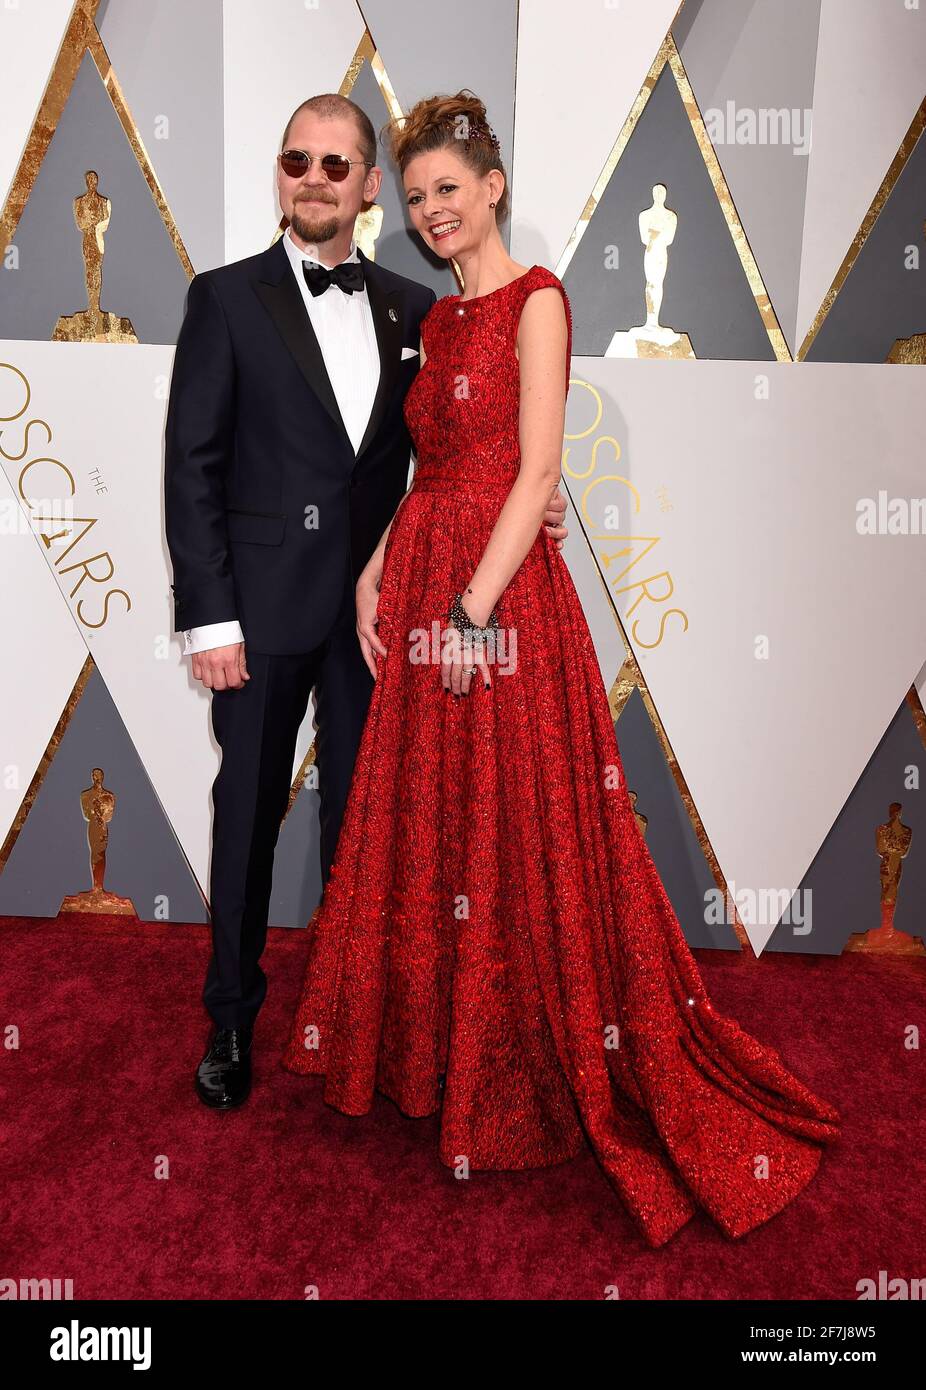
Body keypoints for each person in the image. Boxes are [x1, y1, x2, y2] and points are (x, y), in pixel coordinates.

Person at [280, 90, 841, 1249]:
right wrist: (374, 567)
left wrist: (472, 611)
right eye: (420, 193)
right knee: (435, 826)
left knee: (518, 828)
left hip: (496, 599)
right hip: (433, 567)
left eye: (453, 188)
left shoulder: (540, 303)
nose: (435, 209)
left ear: (493, 190)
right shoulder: (435, 327)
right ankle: (442, 1059)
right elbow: (429, 467)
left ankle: (532, 1064)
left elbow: (536, 473)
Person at [163, 91, 574, 1110]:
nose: (312, 177)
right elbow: (191, 467)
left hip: (384, 620)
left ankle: (365, 1025)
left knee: (376, 829)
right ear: (281, 173)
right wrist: (210, 617)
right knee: (246, 817)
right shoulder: (222, 298)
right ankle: (230, 1020)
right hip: (258, 618)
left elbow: (452, 449)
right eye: (295, 159)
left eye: (334, 165)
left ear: (365, 188)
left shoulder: (416, 309)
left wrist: (539, 487)